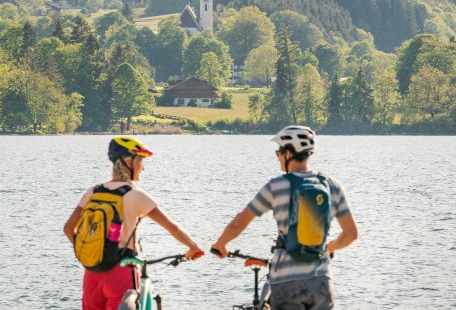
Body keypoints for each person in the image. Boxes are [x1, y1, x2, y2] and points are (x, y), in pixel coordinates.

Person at [211, 125, 358, 310]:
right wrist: (329, 247)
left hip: (287, 282)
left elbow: (239, 221)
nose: (278, 157)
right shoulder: (333, 185)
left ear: (288, 152)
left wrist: (220, 244)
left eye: (279, 152)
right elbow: (351, 234)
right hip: (321, 281)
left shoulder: (277, 186)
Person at [64, 136, 203, 310]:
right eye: (140, 161)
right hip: (121, 273)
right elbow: (173, 228)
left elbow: (69, 228)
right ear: (128, 161)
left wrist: (89, 251)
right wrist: (193, 247)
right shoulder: (135, 195)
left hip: (92, 274)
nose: (142, 168)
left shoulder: (93, 192)